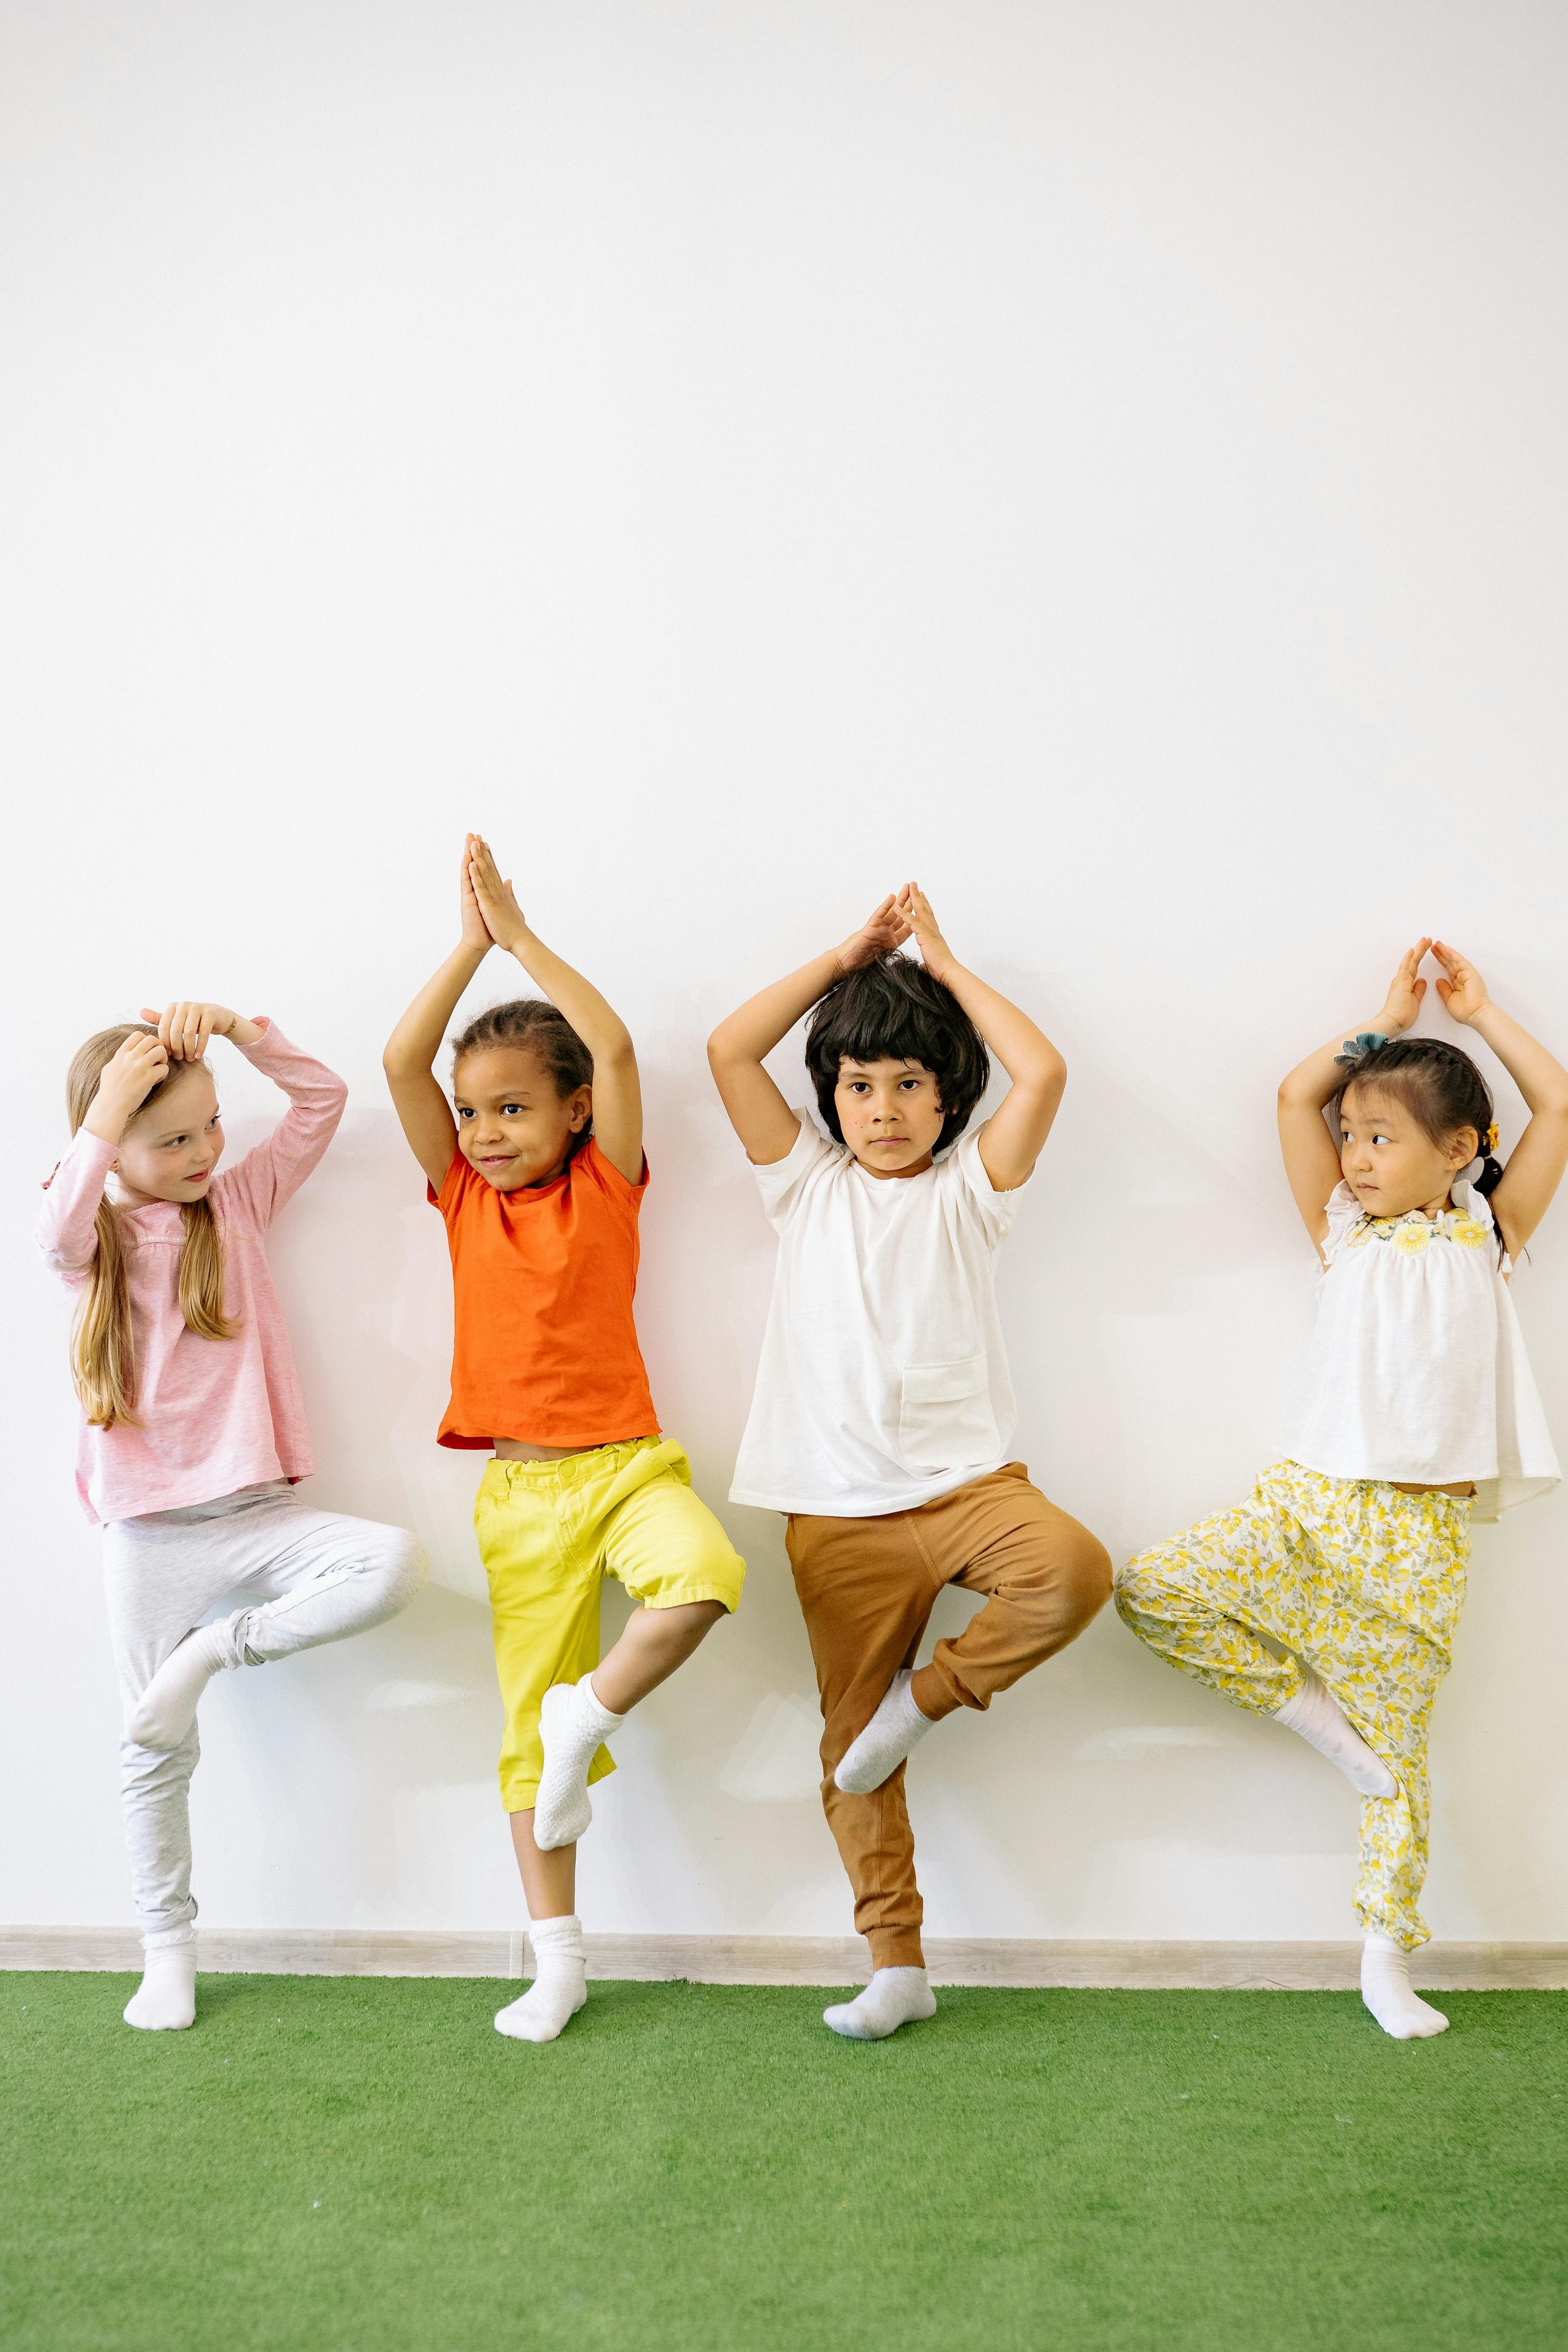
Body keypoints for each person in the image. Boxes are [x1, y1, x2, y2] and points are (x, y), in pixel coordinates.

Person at [1115, 940, 1567, 2038]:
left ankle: (1384, 1958)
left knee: (1401, 1762)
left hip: (1420, 1534)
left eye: (1380, 1137)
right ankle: (1325, 1725)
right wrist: (1382, 1025)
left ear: (1459, 1149)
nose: (1357, 1156)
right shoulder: (1344, 1233)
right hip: (1313, 1503)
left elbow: (1556, 1103)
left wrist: (1482, 1013)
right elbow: (1292, 1095)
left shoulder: (1487, 1232)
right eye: (1352, 1135)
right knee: (1152, 1589)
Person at [709, 883, 1111, 2040]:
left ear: (948, 1095)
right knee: (849, 1755)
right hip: (835, 1513)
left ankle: (920, 1699)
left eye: (908, 1083)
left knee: (1074, 1570)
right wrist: (846, 956)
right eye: (858, 1085)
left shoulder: (970, 1192)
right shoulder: (804, 1183)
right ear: (830, 1097)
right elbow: (729, 1049)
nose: (882, 1109)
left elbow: (1044, 1071)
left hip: (966, 1490)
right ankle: (897, 1966)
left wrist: (943, 960)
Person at [384, 835, 745, 2043]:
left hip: (628, 1466)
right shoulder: (462, 1195)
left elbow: (620, 1046)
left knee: (704, 1576)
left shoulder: (608, 1182)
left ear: (574, 1108)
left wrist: (525, 936)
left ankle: (589, 1710)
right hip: (520, 1498)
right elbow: (399, 1062)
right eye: (472, 1112)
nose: (486, 1131)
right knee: (524, 1754)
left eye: (513, 1107)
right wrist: (469, 945)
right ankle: (559, 1964)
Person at [38, 1002, 427, 2033]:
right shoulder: (94, 1235)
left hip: (257, 1513)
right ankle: (167, 1951)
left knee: (394, 1562)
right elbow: (53, 1232)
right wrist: (105, 1113)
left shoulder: (238, 1204)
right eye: (172, 1139)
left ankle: (214, 1652)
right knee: (150, 1748)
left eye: (210, 1125)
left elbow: (321, 1100)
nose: (205, 1150)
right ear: (111, 1143)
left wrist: (245, 1032)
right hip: (149, 1532)